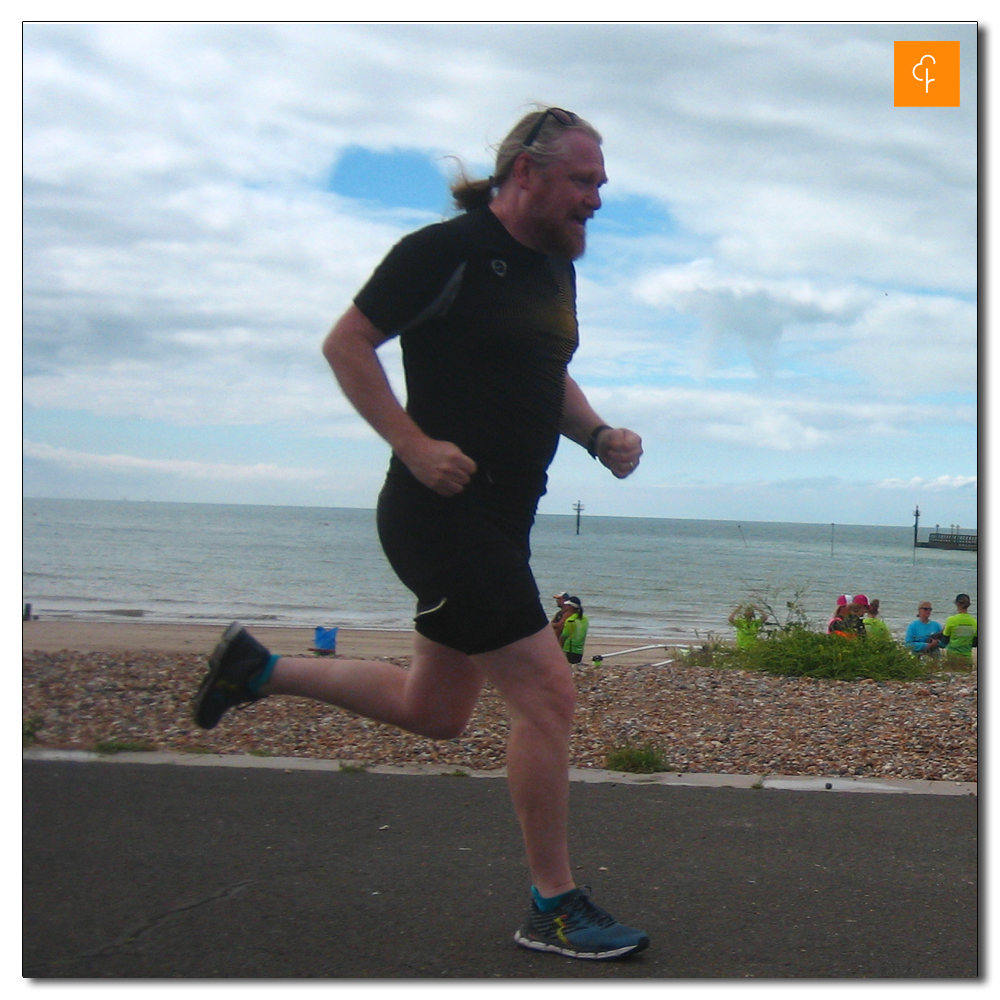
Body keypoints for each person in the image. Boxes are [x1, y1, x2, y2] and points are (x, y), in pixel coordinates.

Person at [192, 107, 648, 961]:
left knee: (433, 709)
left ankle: (257, 667)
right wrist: (412, 442)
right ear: (526, 174)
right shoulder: (444, 252)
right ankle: (552, 905)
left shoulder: (554, 271)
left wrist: (596, 435)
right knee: (549, 692)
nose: (596, 199)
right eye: (583, 181)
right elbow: (348, 344)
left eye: (601, 184)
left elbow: (544, 373)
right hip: (439, 515)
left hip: (500, 523)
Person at [941, 594, 977, 660]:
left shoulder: (951, 620)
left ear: (957, 604)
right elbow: (974, 643)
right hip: (967, 656)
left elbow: (945, 640)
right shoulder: (975, 622)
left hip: (952, 656)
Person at [558, 596, 589, 664]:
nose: (565, 606)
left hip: (569, 650)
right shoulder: (585, 618)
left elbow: (564, 636)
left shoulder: (570, 620)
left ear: (571, 607)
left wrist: (558, 650)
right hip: (580, 650)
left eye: (567, 605)